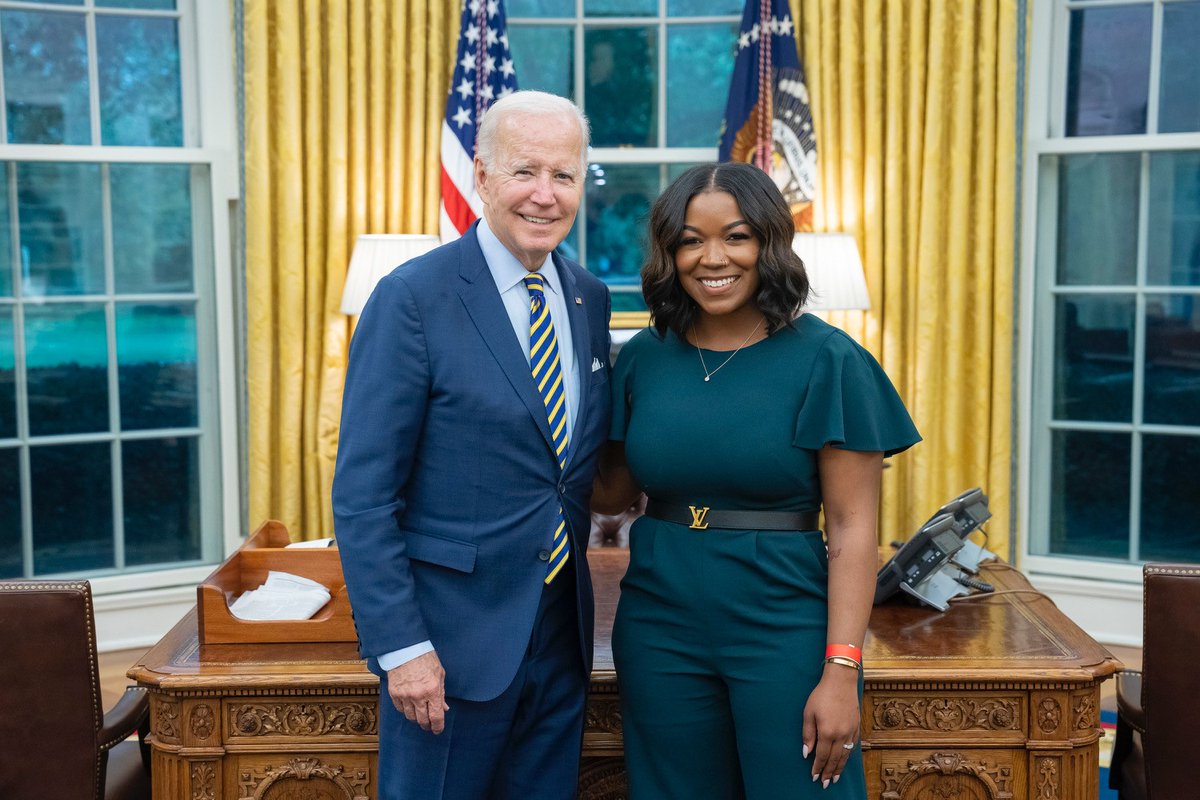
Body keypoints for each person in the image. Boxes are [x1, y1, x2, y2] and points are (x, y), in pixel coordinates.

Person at [593, 162, 920, 798]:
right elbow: (605, 492)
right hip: (659, 624)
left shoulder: (829, 359)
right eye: (691, 240)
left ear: (768, 243)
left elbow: (853, 530)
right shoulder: (644, 356)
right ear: (670, 251)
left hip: (783, 624)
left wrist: (841, 671)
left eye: (736, 236)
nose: (713, 257)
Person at [332, 91, 613, 800]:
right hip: (448, 649)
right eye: (525, 172)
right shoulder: (412, 298)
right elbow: (364, 498)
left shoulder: (587, 296)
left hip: (559, 634)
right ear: (482, 177)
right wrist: (403, 650)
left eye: (564, 175)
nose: (545, 196)